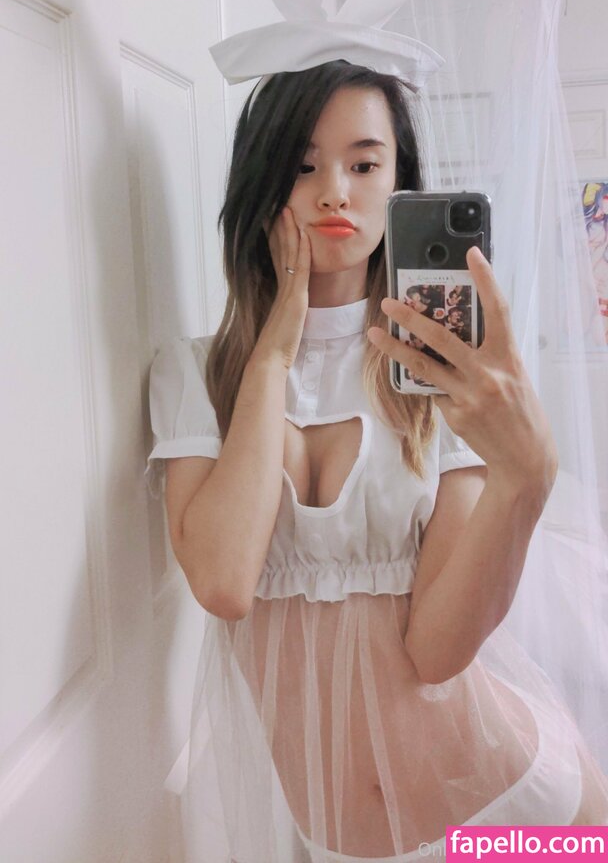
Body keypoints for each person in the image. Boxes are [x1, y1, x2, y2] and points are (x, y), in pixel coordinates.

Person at [146, 60, 608, 863]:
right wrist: (272, 355)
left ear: (400, 187)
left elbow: (436, 652)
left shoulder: (441, 378)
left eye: (364, 165)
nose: (334, 192)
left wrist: (525, 482)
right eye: (303, 165)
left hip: (507, 813)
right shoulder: (198, 374)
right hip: (349, 846)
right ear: (262, 183)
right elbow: (223, 580)